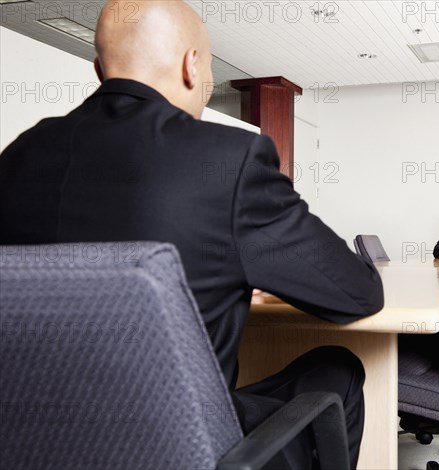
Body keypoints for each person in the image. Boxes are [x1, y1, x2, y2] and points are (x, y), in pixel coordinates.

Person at [0, 1, 384, 468]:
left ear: (100, 70)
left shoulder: (17, 156)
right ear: (191, 64)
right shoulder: (228, 160)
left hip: (32, 445)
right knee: (337, 369)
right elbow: (356, 295)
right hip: (182, 450)